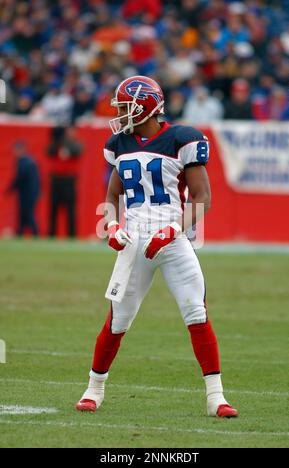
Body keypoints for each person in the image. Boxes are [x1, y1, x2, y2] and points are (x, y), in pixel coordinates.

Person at [76, 75, 238, 418]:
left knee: (196, 311)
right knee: (118, 320)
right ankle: (94, 388)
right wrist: (113, 226)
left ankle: (216, 397)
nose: (119, 113)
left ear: (145, 105)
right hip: (135, 242)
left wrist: (173, 229)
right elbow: (112, 196)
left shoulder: (181, 138)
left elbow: (202, 197)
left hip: (172, 239)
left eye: (124, 106)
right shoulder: (119, 143)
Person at [47, 126, 83, 237]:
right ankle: (52, 234)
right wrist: (59, 140)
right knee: (53, 208)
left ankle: (71, 234)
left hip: (68, 180)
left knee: (70, 209)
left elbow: (78, 150)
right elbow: (49, 151)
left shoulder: (75, 144)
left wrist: (66, 142)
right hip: (57, 179)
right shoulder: (57, 143)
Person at [7, 141, 40, 236]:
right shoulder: (30, 161)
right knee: (23, 214)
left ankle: (35, 233)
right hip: (30, 193)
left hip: (27, 194)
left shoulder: (24, 162)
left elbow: (20, 178)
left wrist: (10, 188)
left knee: (28, 214)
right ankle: (20, 232)